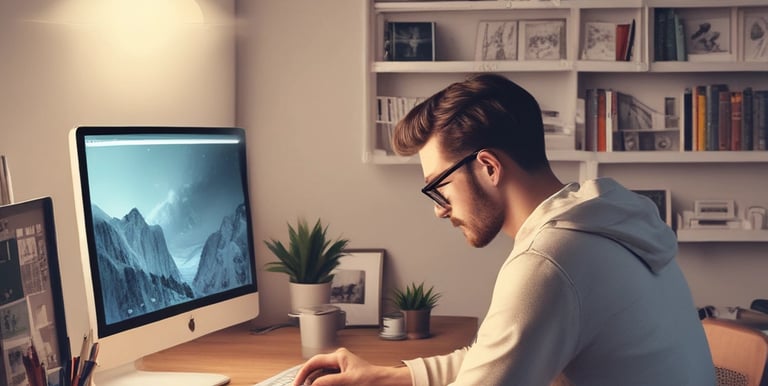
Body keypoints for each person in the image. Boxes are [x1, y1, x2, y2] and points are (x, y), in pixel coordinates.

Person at [294, 74, 715, 386]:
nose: (440, 211)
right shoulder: (600, 223)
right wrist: (381, 378)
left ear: (489, 167)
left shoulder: (551, 261)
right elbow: (497, 356)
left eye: (439, 187)